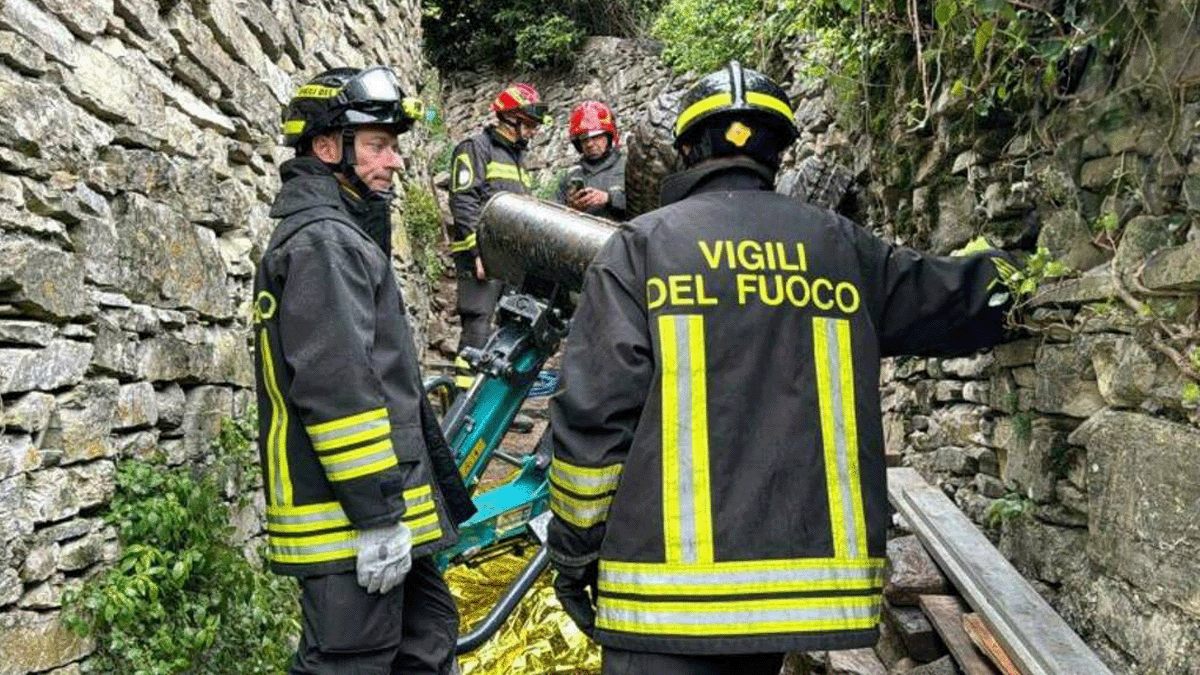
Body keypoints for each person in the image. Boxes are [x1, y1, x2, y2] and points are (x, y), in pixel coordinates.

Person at [545, 61, 1017, 674]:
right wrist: (1029, 273)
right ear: (778, 154)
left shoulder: (639, 249)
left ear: (686, 150)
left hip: (663, 606)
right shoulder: (840, 247)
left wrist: (575, 558)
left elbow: (593, 418)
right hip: (796, 601)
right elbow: (951, 297)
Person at [254, 65, 474, 675]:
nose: (396, 162)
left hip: (385, 514)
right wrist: (378, 519)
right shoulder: (326, 242)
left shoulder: (342, 234)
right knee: (353, 663)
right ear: (328, 148)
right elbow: (340, 392)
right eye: (379, 145)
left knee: (425, 646)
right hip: (353, 526)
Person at [448, 83, 547, 390]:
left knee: (506, 328)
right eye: (529, 124)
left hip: (510, 260)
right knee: (478, 324)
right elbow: (463, 201)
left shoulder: (516, 158)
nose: (533, 131)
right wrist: (478, 253)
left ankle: (488, 402)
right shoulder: (475, 148)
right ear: (510, 118)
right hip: (482, 257)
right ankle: (462, 401)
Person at [556, 100, 627, 221]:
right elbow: (553, 219)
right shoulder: (569, 179)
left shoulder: (630, 168)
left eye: (595, 137)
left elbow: (650, 204)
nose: (589, 144)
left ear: (608, 136)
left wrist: (610, 198)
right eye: (584, 139)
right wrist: (571, 208)